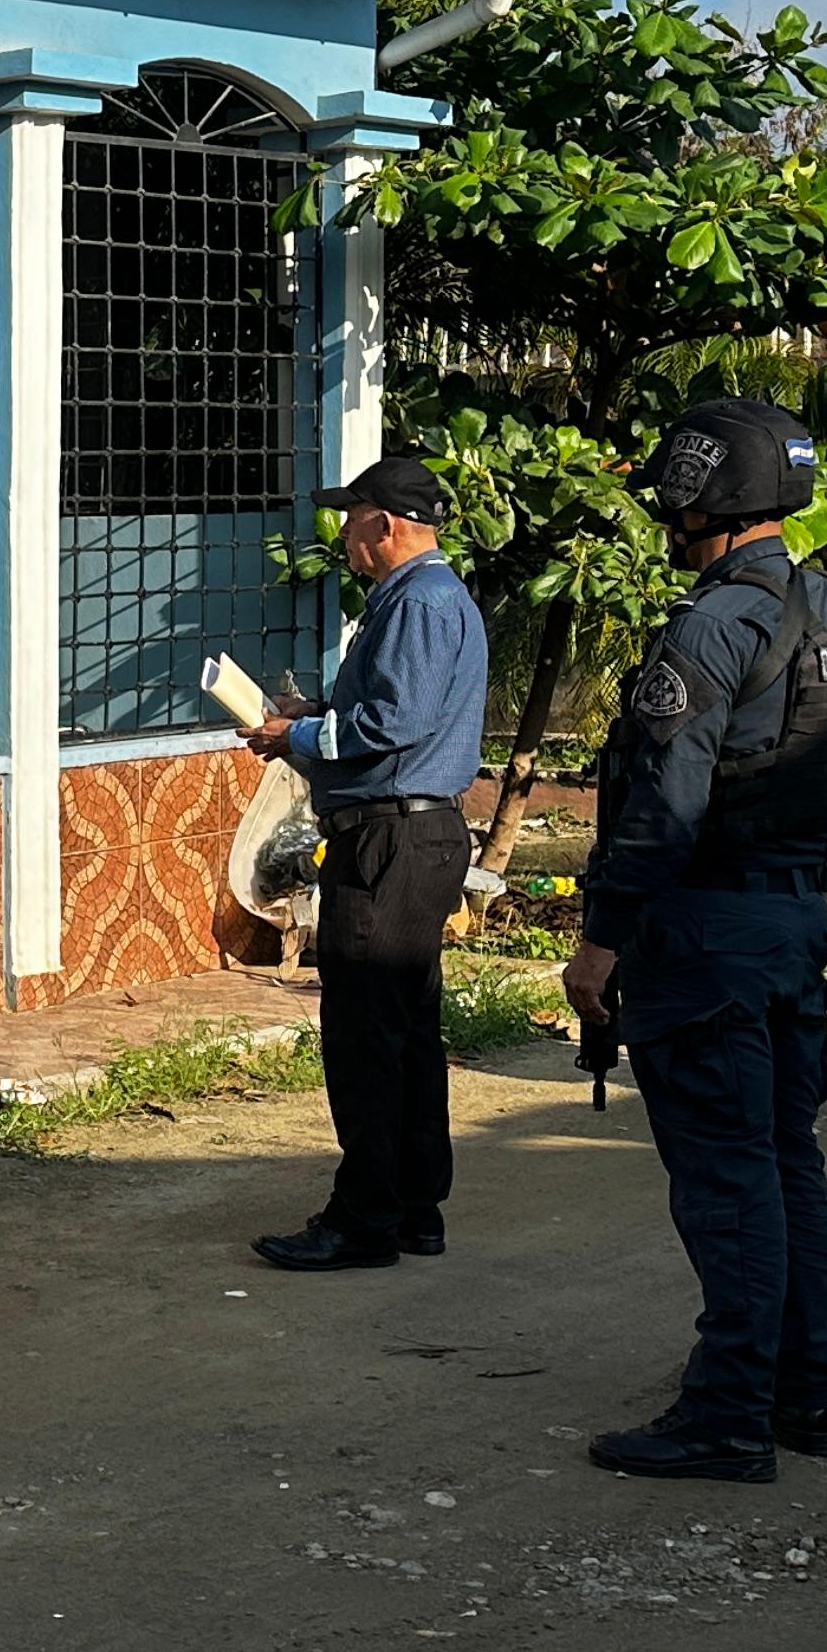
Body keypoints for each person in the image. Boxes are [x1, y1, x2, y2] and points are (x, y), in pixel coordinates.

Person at [559, 397, 827, 1484]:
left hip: (707, 931)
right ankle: (801, 1391)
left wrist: (602, 942)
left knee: (728, 1180)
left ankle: (729, 1414)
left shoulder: (712, 625)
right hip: (793, 918)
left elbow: (666, 804)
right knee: (788, 1161)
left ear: (703, 496)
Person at [240, 455, 493, 1270]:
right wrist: (313, 719)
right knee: (404, 1029)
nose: (343, 534)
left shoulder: (418, 601)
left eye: (350, 520)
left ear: (384, 525)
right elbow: (392, 716)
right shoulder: (425, 598)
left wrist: (298, 734)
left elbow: (393, 725)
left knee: (365, 1036)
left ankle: (364, 1220)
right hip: (409, 835)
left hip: (392, 840)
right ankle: (414, 1206)